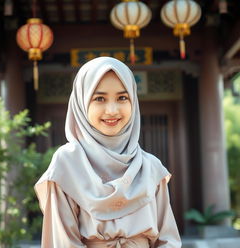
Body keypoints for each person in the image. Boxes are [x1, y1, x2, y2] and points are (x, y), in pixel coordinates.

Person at [35, 56, 182, 248]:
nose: (112, 110)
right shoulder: (67, 164)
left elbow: (168, 239)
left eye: (122, 97)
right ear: (81, 102)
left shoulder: (150, 167)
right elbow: (63, 243)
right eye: (99, 99)